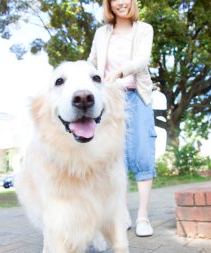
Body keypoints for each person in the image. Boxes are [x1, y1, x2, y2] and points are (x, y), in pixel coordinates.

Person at [88, 0, 156, 237]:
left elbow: (142, 60)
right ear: (109, 4)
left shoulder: (144, 29)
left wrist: (120, 71)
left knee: (142, 153)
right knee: (116, 157)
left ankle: (143, 217)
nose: (121, 3)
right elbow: (93, 63)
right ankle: (123, 214)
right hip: (110, 100)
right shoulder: (101, 33)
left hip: (137, 97)